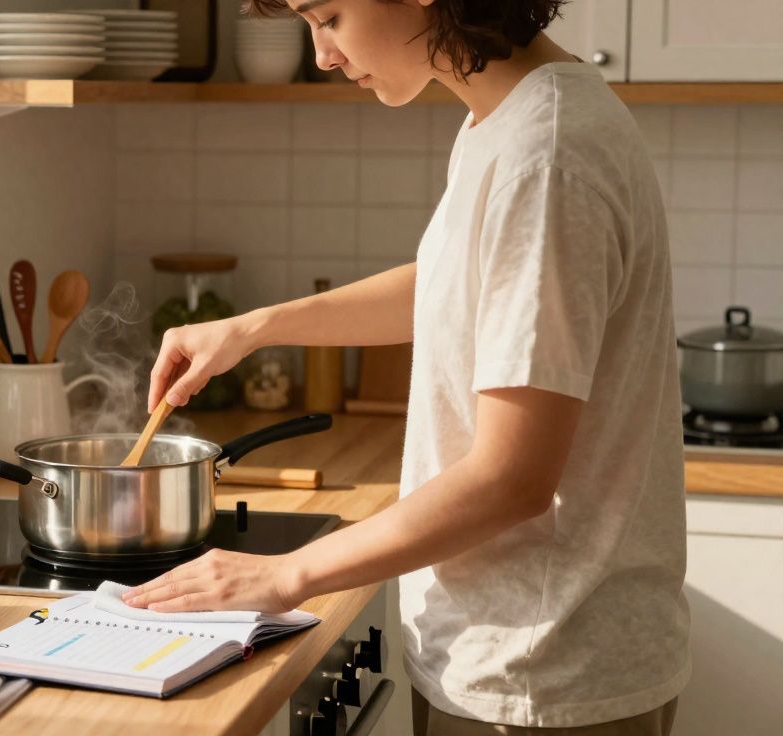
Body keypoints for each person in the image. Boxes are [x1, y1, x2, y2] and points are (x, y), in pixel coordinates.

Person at [120, 1, 689, 734]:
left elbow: (511, 479)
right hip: (512, 654)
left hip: (540, 677)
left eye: (327, 15)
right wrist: (255, 329)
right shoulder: (510, 116)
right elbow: (455, 281)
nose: (321, 54)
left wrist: (281, 574)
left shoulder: (547, 157)